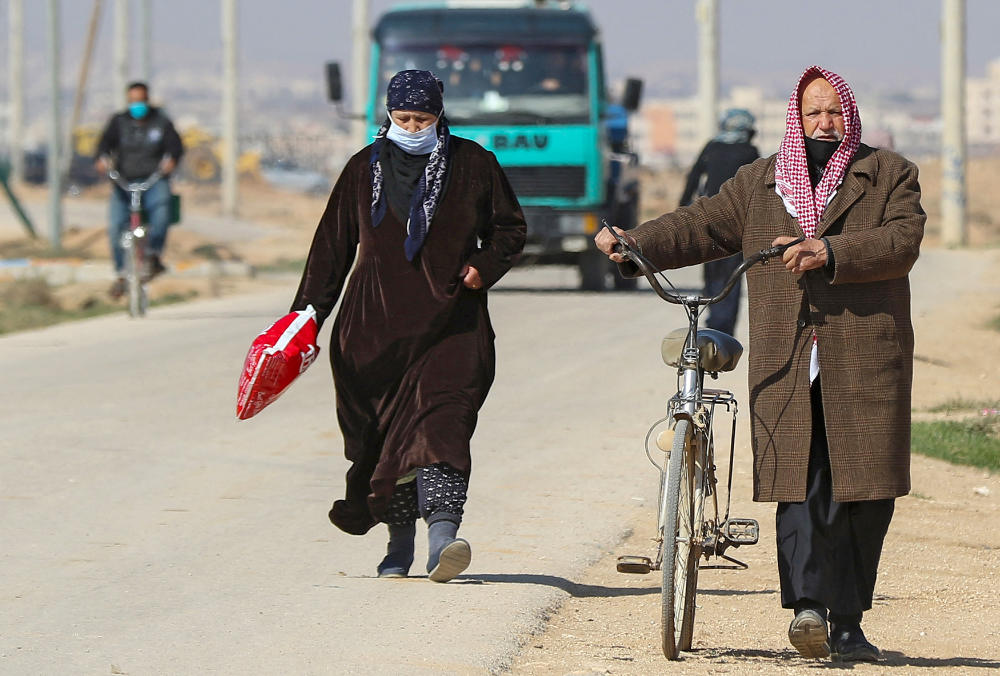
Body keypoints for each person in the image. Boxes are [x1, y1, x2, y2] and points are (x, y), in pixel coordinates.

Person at [596, 65, 924, 662]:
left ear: (849, 115)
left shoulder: (890, 175)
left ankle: (848, 623)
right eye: (813, 113)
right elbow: (702, 224)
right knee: (797, 481)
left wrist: (830, 250)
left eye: (834, 112)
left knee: (864, 492)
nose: (825, 123)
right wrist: (635, 242)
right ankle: (806, 609)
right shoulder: (761, 181)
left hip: (865, 352)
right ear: (795, 119)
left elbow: (902, 242)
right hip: (787, 355)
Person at [291, 70, 526, 582]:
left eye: (423, 118)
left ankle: (443, 538)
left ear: (440, 115)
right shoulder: (362, 169)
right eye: (403, 118)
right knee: (381, 441)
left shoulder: (474, 164)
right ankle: (398, 542)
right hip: (372, 332)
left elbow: (510, 229)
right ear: (389, 116)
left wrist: (482, 268)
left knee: (444, 425)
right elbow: (331, 249)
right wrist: (305, 317)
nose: (413, 126)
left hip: (451, 323)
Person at [94, 82, 183, 298]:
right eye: (133, 101)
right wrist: (102, 160)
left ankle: (152, 256)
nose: (137, 105)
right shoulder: (119, 122)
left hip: (154, 179)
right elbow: (103, 146)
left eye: (140, 100)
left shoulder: (160, 122)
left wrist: (171, 161)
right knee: (115, 226)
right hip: (124, 181)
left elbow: (176, 147)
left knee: (161, 213)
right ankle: (122, 274)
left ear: (147, 99)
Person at [678, 108, 760, 336]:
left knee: (712, 271)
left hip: (708, 220)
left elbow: (693, 178)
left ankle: (713, 322)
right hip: (737, 222)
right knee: (731, 275)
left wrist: (683, 211)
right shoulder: (750, 151)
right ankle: (723, 328)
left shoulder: (712, 146)